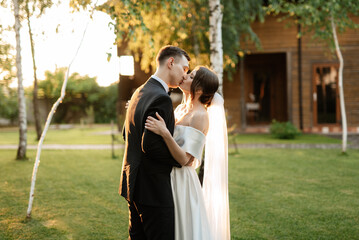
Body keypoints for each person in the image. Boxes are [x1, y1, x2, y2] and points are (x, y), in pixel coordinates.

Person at [145, 66, 230, 240]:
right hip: (169, 175)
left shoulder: (199, 116)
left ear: (198, 89)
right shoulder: (180, 109)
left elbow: (185, 159)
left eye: (191, 76)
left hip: (182, 180)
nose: (184, 76)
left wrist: (165, 133)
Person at [119, 45, 190, 240]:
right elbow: (150, 146)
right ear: (171, 62)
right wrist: (181, 159)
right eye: (184, 68)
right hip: (153, 189)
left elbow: (126, 133)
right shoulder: (161, 98)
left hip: (132, 182)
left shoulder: (140, 91)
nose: (185, 75)